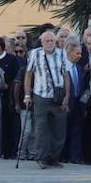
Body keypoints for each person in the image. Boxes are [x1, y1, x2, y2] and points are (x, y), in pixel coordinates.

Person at [24, 31, 69, 169]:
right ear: (42, 42)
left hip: (57, 97)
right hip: (40, 95)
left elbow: (66, 75)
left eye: (51, 40)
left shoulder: (62, 53)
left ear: (56, 41)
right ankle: (40, 157)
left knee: (59, 129)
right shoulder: (35, 53)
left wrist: (67, 96)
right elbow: (29, 74)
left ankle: (53, 158)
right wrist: (27, 95)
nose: (49, 43)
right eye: (46, 41)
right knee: (41, 128)